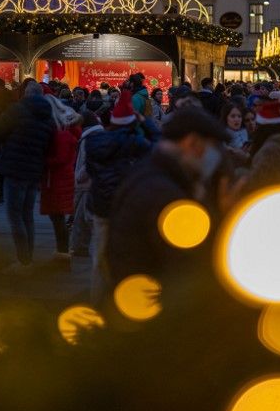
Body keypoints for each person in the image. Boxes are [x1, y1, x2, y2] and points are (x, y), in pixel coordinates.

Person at [106, 107, 230, 289]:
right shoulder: (164, 194)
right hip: (154, 300)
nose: (213, 157)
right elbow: (189, 260)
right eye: (211, 148)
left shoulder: (153, 173)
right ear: (192, 143)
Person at [84, 90, 160, 301]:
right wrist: (145, 122)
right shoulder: (134, 143)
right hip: (125, 206)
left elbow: (90, 172)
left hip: (100, 204)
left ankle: (97, 298)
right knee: (126, 254)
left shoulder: (94, 142)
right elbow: (159, 145)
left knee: (99, 255)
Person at [0, 81, 54, 272]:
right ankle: (28, 258)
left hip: (15, 166)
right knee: (27, 214)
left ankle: (23, 260)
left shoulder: (17, 110)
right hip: (34, 168)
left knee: (14, 214)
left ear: (25, 94)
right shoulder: (47, 115)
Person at [40, 94, 83, 267]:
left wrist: (43, 161)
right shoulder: (67, 130)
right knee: (57, 218)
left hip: (57, 179)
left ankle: (62, 254)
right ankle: (61, 253)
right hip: (60, 177)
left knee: (58, 218)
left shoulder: (61, 134)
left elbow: (60, 158)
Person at [70, 111, 103, 257]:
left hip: (87, 183)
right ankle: (80, 246)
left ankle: (80, 246)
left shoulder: (89, 137)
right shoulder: (95, 135)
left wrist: (80, 176)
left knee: (83, 217)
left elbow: (89, 160)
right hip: (91, 181)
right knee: (82, 217)